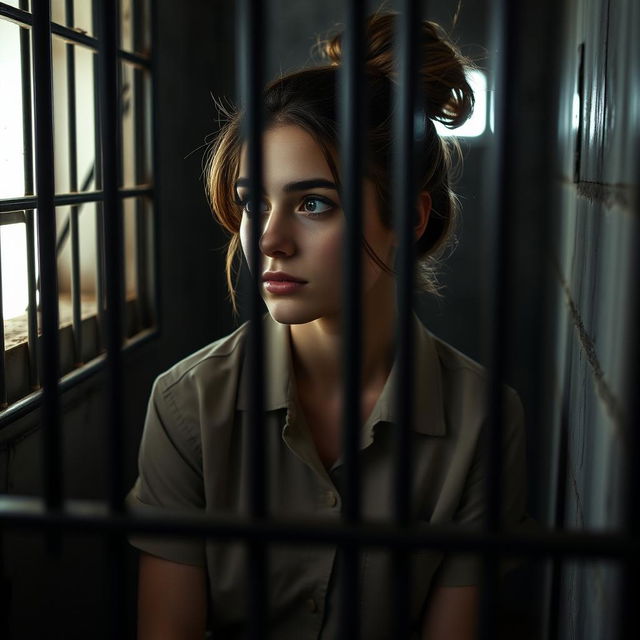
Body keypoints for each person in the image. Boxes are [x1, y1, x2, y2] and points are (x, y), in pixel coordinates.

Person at [127, 12, 529, 639]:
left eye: (313, 204)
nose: (269, 240)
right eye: (252, 202)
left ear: (410, 217)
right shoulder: (187, 405)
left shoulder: (482, 421)